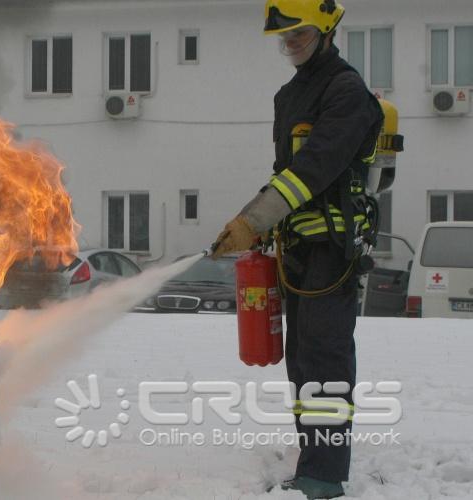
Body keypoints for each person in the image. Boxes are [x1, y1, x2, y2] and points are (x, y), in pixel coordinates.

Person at [211, 1, 384, 498]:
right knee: (303, 362)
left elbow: (316, 166)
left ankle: (325, 476)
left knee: (327, 359)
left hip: (332, 249)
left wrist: (255, 219)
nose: (290, 46)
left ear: (328, 29)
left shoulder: (345, 90)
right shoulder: (289, 95)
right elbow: (283, 172)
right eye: (284, 39)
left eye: (300, 36)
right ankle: (312, 458)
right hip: (298, 251)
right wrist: (257, 226)